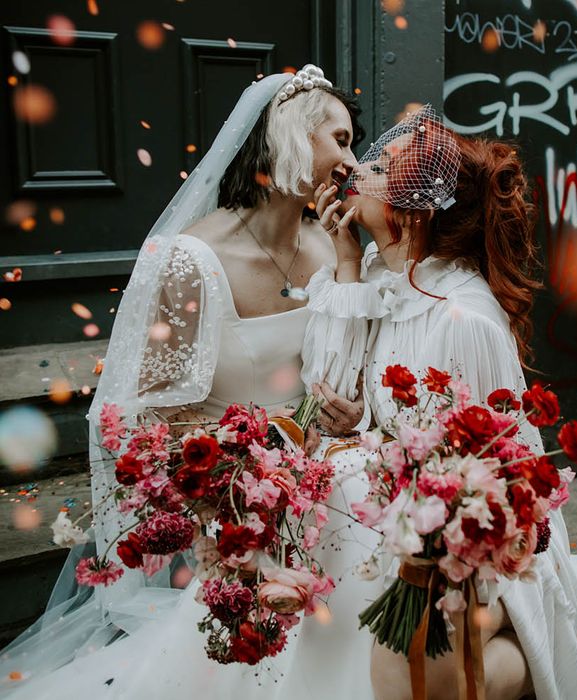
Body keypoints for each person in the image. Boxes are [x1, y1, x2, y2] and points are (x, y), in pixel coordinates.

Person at [0, 66, 380, 700]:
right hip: (229, 496)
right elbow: (154, 419)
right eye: (338, 139)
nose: (351, 160)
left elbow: (347, 364)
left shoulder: (334, 248)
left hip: (325, 481)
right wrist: (234, 502)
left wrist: (350, 407)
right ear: (290, 135)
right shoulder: (191, 260)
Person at [301, 106, 577, 699]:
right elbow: (336, 391)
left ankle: (514, 657)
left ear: (413, 206)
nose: (357, 170)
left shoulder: (463, 318)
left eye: (381, 167)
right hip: (401, 511)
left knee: (411, 667)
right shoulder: (379, 277)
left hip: (476, 545)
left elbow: (515, 476)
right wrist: (343, 263)